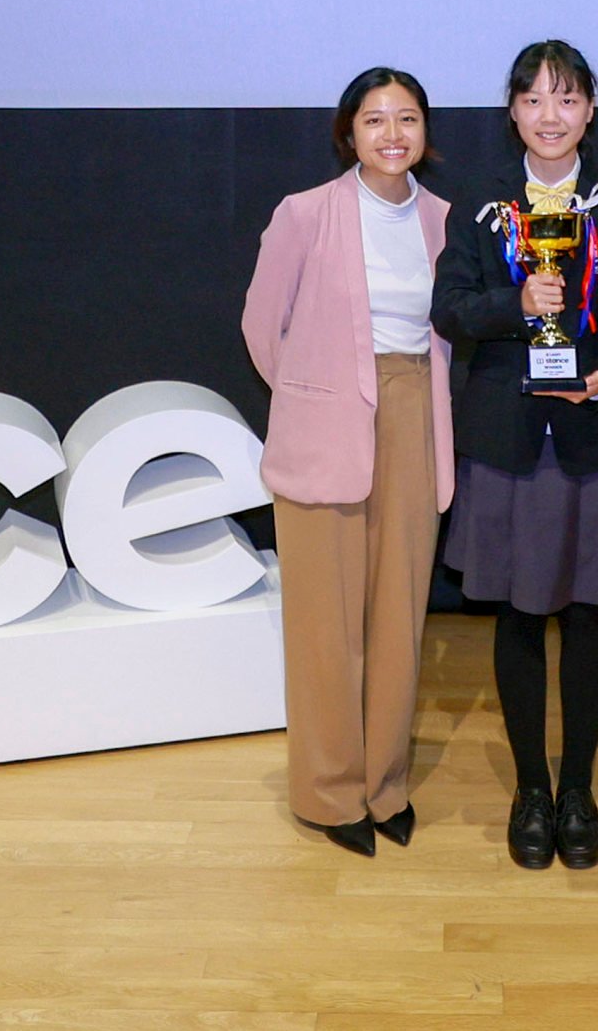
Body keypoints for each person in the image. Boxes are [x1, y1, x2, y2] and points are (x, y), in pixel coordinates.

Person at [431, 40, 598, 870]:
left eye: (566, 100)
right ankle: (530, 788)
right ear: (513, 112)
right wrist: (513, 302)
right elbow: (450, 310)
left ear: (591, 110)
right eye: (532, 100)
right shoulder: (479, 204)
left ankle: (578, 790)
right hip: (509, 436)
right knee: (520, 615)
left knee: (588, 616)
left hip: (595, 437)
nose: (550, 116)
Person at [241, 66, 455, 855]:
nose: (392, 134)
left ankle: (384, 784)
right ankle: (328, 795)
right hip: (325, 419)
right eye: (374, 120)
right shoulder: (304, 214)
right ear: (348, 134)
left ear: (425, 134)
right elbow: (263, 329)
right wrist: (314, 392)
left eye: (406, 119)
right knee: (326, 624)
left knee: (397, 614)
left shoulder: (444, 219)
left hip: (414, 414)